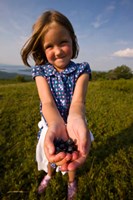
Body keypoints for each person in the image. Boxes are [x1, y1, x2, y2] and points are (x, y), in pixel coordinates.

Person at [21, 10, 94, 199]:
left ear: (73, 40)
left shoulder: (82, 70)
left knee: (72, 155)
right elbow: (47, 102)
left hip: (74, 122)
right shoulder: (41, 72)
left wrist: (75, 118)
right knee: (51, 154)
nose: (58, 51)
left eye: (63, 42)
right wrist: (55, 124)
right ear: (42, 49)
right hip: (51, 122)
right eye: (50, 46)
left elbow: (78, 102)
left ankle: (71, 180)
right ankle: (49, 175)